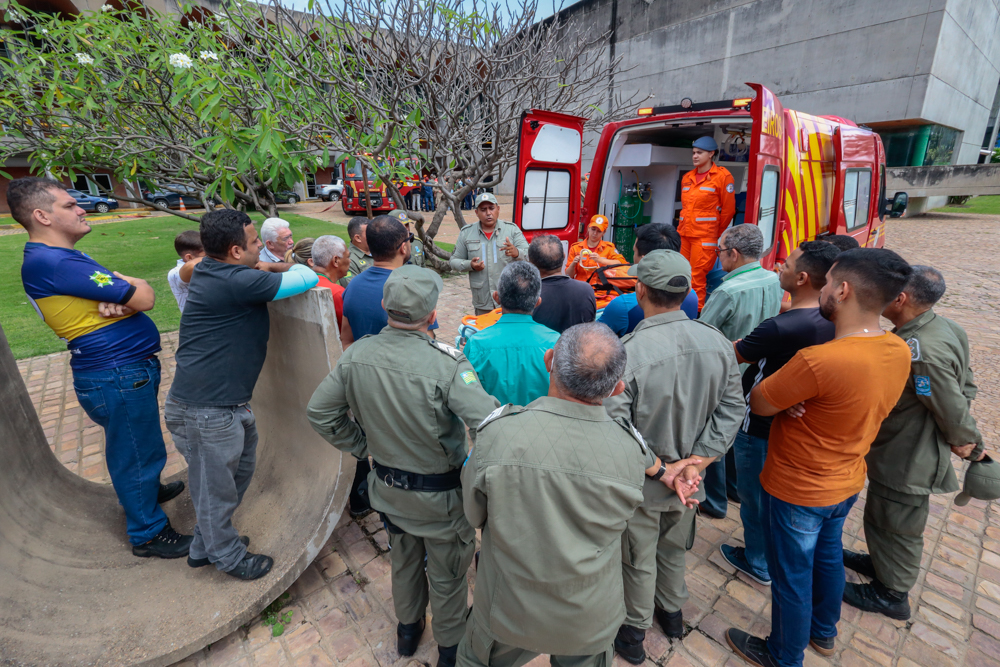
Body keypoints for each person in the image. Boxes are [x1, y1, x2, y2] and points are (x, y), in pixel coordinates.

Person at [459, 322, 702, 667]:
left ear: (549, 360)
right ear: (617, 388)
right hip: (589, 615)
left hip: (510, 607)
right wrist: (665, 473)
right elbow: (640, 463)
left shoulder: (498, 435)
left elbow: (473, 514)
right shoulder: (628, 449)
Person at [725, 248, 913, 667]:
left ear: (843, 290)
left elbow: (759, 401)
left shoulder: (819, 361)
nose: (823, 288)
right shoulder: (897, 350)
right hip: (846, 480)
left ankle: (783, 654)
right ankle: (823, 634)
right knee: (827, 558)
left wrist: (794, 394)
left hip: (798, 487)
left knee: (791, 575)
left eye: (828, 283)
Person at [308, 265, 501, 667]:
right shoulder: (448, 364)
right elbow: (488, 424)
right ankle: (450, 648)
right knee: (447, 577)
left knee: (404, 560)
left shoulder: (357, 354)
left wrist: (364, 447)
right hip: (442, 500)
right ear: (433, 315)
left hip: (389, 490)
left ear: (384, 305)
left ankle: (408, 632)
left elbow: (321, 413)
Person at [10, 176, 191, 558]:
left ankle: (146, 494)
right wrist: (131, 289)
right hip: (116, 373)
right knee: (135, 452)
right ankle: (148, 533)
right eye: (69, 205)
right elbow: (145, 295)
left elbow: (131, 298)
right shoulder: (55, 262)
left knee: (139, 443)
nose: (81, 208)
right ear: (42, 216)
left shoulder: (61, 259)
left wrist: (125, 296)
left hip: (118, 371)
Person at [604, 250, 744, 663]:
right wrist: (698, 462)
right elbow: (733, 407)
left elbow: (617, 427)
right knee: (673, 546)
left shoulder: (629, 351)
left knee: (637, 554)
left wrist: (667, 469)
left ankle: (632, 631)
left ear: (641, 290)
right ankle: (672, 613)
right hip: (691, 478)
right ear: (684, 291)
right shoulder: (717, 342)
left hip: (646, 477)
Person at [165, 209, 319, 580]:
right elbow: (309, 275)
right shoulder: (238, 281)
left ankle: (206, 544)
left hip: (221, 404)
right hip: (207, 410)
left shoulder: (208, 269)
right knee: (216, 490)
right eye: (254, 244)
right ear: (235, 251)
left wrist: (261, 268)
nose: (260, 250)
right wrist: (273, 269)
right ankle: (228, 557)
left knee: (238, 473)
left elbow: (177, 272)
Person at [843, 266, 987, 621]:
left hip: (909, 450)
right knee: (883, 514)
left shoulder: (918, 350)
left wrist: (968, 442)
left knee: (898, 521)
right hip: (906, 441)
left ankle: (892, 592)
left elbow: (949, 403)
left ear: (901, 299)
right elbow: (967, 382)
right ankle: (882, 562)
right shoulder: (945, 327)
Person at [718, 240, 840, 586]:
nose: (778, 268)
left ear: (802, 277)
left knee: (753, 498)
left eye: (786, 264)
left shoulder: (780, 328)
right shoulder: (831, 318)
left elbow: (733, 353)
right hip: (793, 424)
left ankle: (758, 560)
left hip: (756, 424)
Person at [340, 215, 439, 515]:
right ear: (404, 248)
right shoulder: (412, 286)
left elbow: (346, 339)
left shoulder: (353, 285)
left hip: (367, 392)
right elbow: (428, 345)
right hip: (407, 393)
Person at [698, 224, 782, 519]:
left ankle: (713, 499)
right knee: (739, 429)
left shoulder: (728, 291)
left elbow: (703, 334)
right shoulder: (773, 279)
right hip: (757, 370)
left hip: (726, 371)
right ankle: (734, 488)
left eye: (720, 251)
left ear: (732, 253)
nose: (719, 257)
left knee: (714, 431)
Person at [463, 262, 559, 405]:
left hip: (493, 425)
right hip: (542, 425)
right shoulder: (557, 342)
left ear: (496, 297)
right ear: (538, 302)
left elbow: (466, 390)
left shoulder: (476, 344)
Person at [598, 223, 698, 336]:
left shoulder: (622, 306)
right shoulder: (692, 296)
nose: (633, 256)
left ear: (645, 259)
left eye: (634, 251)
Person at [678, 136, 737, 309]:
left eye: (699, 153)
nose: (695, 156)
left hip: (704, 238)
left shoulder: (722, 177)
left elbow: (728, 211)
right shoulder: (687, 177)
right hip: (685, 235)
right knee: (681, 275)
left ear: (711, 154)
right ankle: (679, 311)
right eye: (694, 153)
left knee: (696, 278)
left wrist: (714, 233)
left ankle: (696, 315)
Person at [450, 193, 529, 315]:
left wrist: (517, 253)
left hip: (509, 298)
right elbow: (453, 261)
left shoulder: (511, 230)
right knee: (484, 331)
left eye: (491, 208)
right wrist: (469, 265)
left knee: (508, 333)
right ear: (476, 212)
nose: (488, 213)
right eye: (483, 210)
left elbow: (530, 255)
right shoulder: (467, 233)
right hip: (483, 300)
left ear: (498, 209)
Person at [528, 234, 596, 333]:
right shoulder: (586, 290)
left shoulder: (528, 296)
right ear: (564, 256)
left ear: (530, 262)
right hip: (578, 348)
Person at [565, 215, 627, 282]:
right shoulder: (575, 248)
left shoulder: (609, 248)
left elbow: (621, 263)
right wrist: (573, 264)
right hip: (581, 287)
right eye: (593, 229)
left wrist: (601, 260)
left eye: (599, 231)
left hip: (601, 288)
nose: (595, 233)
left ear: (604, 232)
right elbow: (568, 275)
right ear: (588, 228)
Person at [312, 235, 351, 329]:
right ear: (336, 261)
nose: (350, 261)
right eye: (348, 257)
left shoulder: (304, 283)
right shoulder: (337, 292)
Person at [168, 230, 205, 312]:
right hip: (197, 322)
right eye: (206, 256)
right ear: (189, 258)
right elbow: (191, 266)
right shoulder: (175, 273)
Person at [339, 216, 373, 287]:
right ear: (358, 238)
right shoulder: (348, 260)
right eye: (370, 233)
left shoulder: (380, 251)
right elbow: (353, 288)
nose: (375, 235)